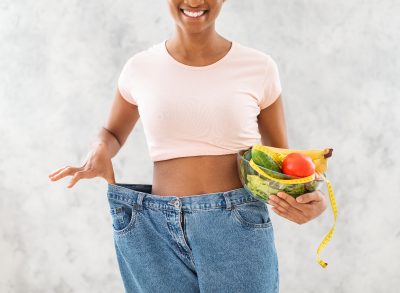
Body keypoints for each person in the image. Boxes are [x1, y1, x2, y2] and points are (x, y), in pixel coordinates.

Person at [48, 0, 327, 292]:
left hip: (236, 227)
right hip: (152, 229)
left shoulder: (259, 67)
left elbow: (280, 160)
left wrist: (308, 200)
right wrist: (100, 149)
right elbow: (112, 133)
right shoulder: (140, 68)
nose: (194, 2)